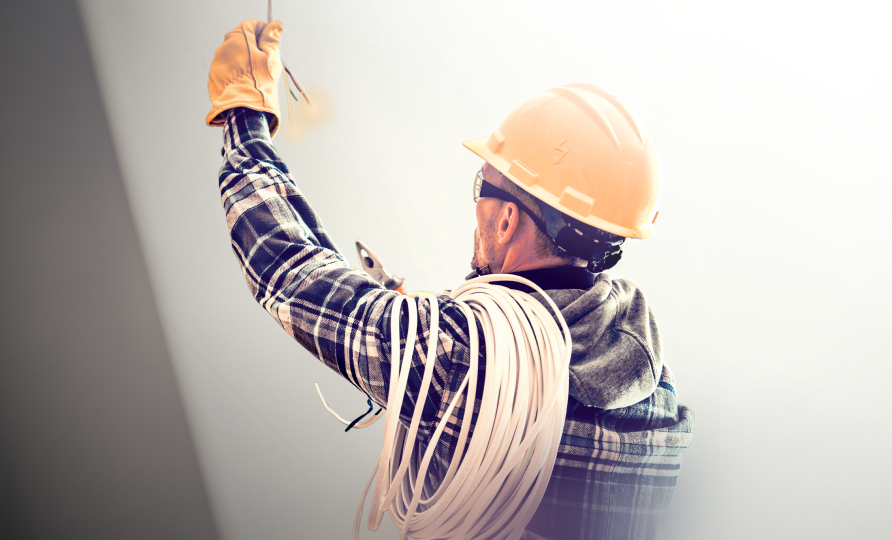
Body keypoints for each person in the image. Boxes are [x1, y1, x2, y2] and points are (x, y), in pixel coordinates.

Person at [206, 19, 694, 540]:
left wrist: (244, 117)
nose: (478, 199)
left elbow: (288, 270)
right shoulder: (657, 394)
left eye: (485, 181)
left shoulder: (459, 359)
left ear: (507, 220)